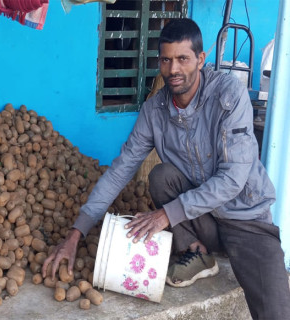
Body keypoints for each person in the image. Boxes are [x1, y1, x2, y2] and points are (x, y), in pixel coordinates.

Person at [42, 18, 290, 319]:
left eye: (182, 59)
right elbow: (122, 168)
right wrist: (75, 234)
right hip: (203, 220)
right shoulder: (155, 111)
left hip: (245, 219)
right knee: (161, 178)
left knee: (277, 311)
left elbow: (232, 179)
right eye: (166, 60)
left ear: (200, 59)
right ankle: (197, 251)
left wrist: (166, 215)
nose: (173, 70)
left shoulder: (228, 95)